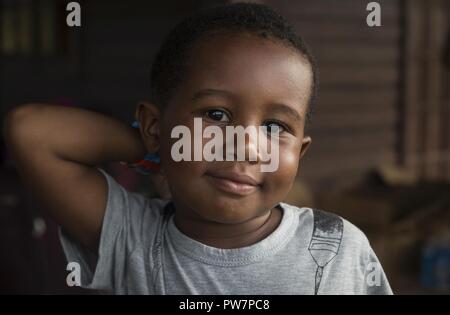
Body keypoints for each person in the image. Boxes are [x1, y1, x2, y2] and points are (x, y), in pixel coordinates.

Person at [3, 3, 392, 295]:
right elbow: (31, 131)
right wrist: (159, 147)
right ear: (156, 126)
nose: (247, 147)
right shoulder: (132, 237)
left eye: (275, 127)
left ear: (300, 153)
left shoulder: (337, 247)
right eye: (217, 115)